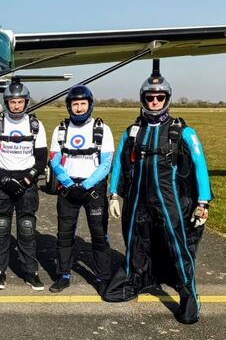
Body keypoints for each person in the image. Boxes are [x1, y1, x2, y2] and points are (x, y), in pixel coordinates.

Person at [102, 65, 212, 325]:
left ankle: (188, 293)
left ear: (167, 99)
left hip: (169, 200)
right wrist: (114, 194)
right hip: (138, 201)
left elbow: (200, 166)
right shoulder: (132, 131)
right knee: (136, 240)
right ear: (143, 98)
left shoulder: (182, 131)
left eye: (159, 97)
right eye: (150, 97)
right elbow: (118, 163)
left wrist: (203, 202)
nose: (154, 102)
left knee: (177, 244)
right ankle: (136, 278)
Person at [48, 85, 114, 294]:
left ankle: (102, 277)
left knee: (98, 234)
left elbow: (106, 163)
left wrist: (85, 185)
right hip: (69, 189)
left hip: (92, 188)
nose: (78, 108)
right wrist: (69, 184)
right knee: (64, 234)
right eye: (74, 104)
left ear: (90, 104)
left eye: (82, 104)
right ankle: (63, 275)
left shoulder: (102, 129)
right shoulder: (60, 129)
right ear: (69, 106)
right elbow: (55, 161)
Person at [0, 77, 48, 291]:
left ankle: (31, 271)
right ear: (7, 102)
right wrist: (4, 180)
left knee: (27, 228)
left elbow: (41, 158)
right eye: (12, 102)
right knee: (1, 227)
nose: (16, 105)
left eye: (20, 101)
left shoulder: (36, 125)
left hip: (26, 181)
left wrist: (28, 179)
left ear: (26, 102)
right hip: (2, 180)